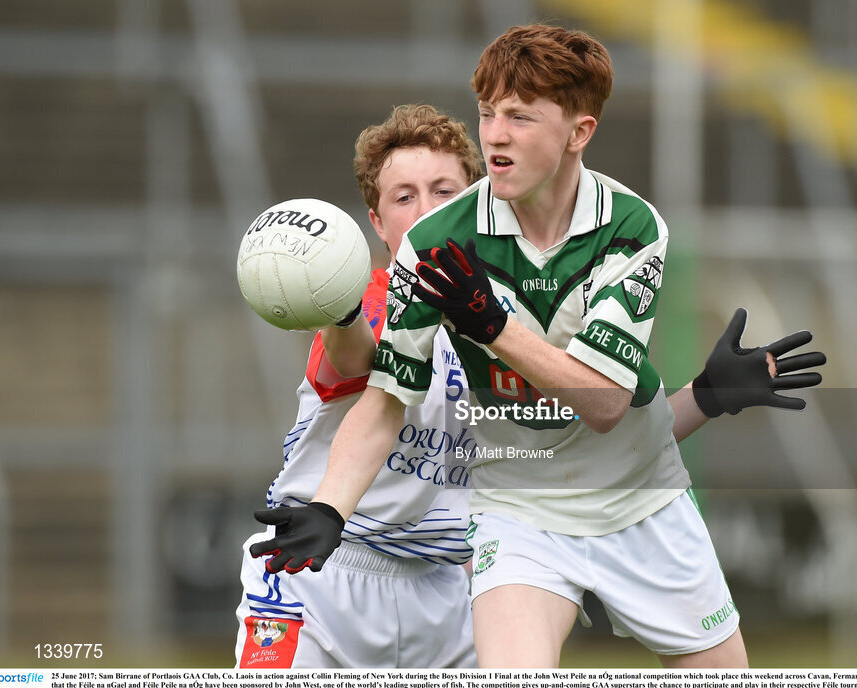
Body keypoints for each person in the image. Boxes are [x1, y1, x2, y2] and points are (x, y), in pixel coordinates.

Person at [254, 25, 825, 668]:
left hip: (627, 507)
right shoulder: (422, 262)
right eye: (488, 114)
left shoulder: (631, 228)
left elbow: (601, 409)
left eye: (519, 117)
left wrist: (705, 396)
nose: (495, 133)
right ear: (376, 220)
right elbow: (370, 379)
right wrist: (329, 506)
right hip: (497, 519)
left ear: (579, 132)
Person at [233, 104, 484, 668]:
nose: (426, 212)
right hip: (321, 569)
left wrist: (703, 396)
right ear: (376, 222)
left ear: (475, 203)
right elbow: (356, 354)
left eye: (444, 192)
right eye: (404, 197)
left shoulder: (510, 326)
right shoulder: (367, 301)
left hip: (444, 595)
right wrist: (340, 313)